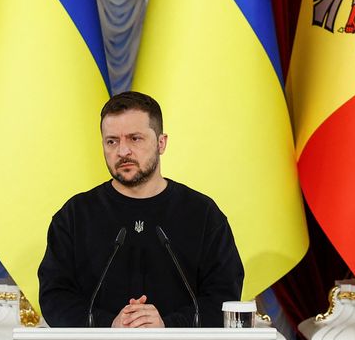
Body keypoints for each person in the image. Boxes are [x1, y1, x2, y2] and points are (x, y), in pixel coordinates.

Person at [38, 91, 244, 327]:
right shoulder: (75, 215)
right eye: (112, 141)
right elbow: (54, 296)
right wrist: (109, 326)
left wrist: (169, 327)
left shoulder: (203, 214)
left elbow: (224, 296)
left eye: (135, 139)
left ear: (161, 143)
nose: (122, 151)